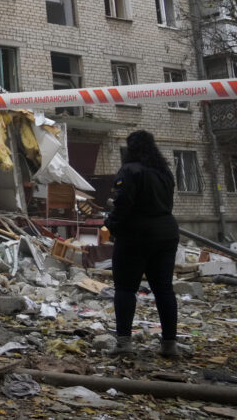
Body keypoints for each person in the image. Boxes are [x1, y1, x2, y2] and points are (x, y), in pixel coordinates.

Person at [104, 130, 180, 358]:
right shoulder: (164, 172)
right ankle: (169, 345)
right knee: (164, 289)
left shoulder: (130, 171)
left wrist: (111, 225)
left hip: (135, 236)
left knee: (126, 288)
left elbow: (123, 204)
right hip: (166, 233)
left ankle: (124, 343)